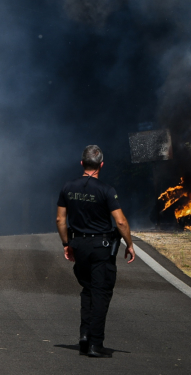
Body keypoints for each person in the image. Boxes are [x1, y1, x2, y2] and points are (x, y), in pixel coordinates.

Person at [56, 145, 135, 358]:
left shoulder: (67, 187)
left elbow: (60, 219)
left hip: (79, 245)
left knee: (88, 289)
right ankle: (95, 343)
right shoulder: (106, 190)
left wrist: (66, 243)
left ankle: (84, 335)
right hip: (101, 248)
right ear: (101, 165)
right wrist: (129, 244)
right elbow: (120, 221)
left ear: (82, 163)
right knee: (101, 293)